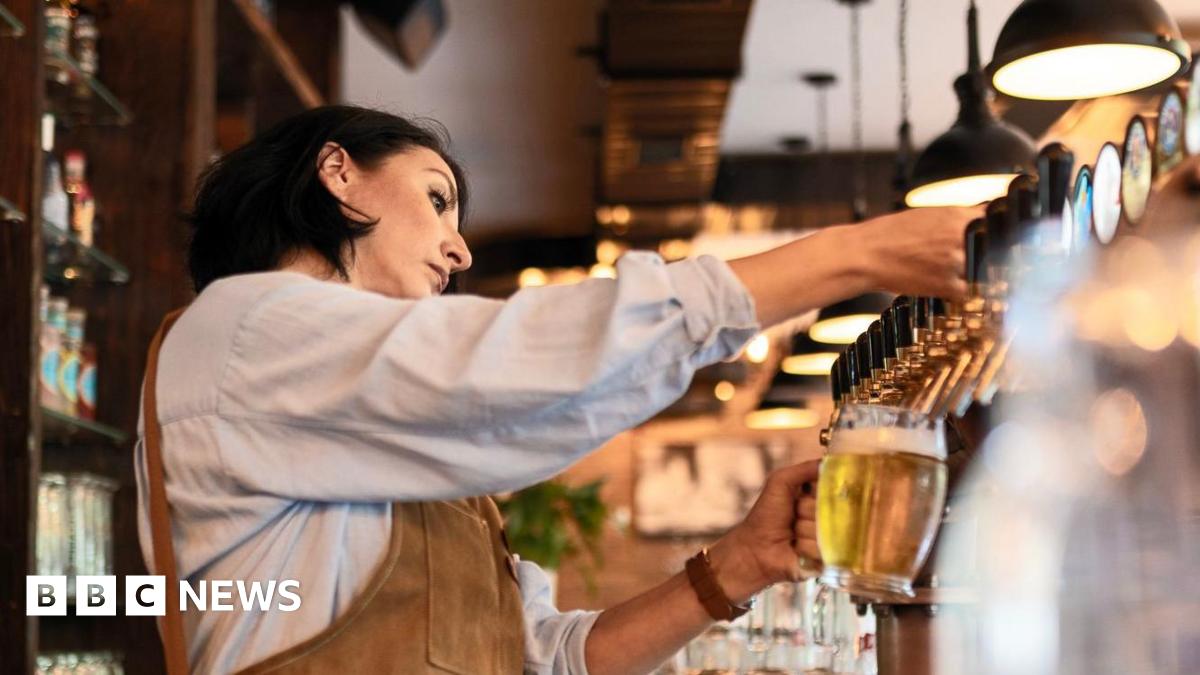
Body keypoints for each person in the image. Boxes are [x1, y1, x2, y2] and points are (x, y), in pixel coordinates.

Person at [135, 105, 976, 675]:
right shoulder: (240, 329)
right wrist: (855, 255)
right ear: (337, 173)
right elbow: (527, 362)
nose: (459, 251)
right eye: (437, 200)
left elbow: (548, 657)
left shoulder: (369, 423)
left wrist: (741, 564)